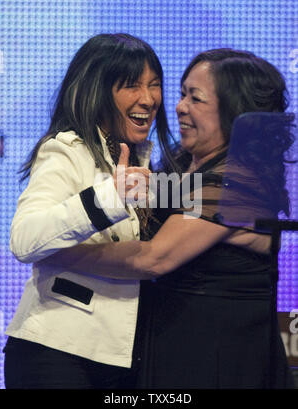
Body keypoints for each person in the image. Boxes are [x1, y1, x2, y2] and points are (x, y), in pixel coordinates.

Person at [43, 48, 296, 389]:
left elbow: (153, 258)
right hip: (168, 348)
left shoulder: (237, 183)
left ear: (235, 112)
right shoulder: (181, 166)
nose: (179, 107)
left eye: (196, 98)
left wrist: (54, 251)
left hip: (217, 358)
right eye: (181, 93)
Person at [4, 33, 176, 389]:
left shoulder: (148, 163)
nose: (149, 98)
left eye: (155, 85)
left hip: (126, 360)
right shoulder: (66, 150)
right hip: (56, 354)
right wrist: (108, 198)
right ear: (97, 91)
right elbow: (24, 240)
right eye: (132, 86)